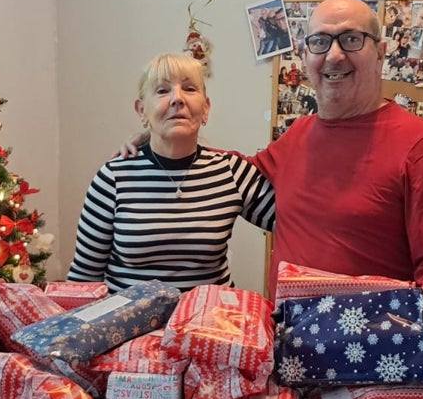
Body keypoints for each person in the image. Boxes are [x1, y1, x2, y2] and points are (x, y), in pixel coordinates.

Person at [248, 0, 423, 371]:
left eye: (351, 39)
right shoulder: (299, 134)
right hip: (293, 355)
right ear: (306, 57)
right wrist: (159, 142)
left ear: (381, 52)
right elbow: (237, 173)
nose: (334, 55)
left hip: (374, 361)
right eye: (320, 42)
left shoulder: (419, 146)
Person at [69, 53, 275, 292]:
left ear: (206, 108)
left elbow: (299, 224)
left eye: (189, 88)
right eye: (162, 91)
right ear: (141, 110)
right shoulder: (113, 178)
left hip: (208, 324)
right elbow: (84, 279)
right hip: (128, 327)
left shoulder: (232, 172)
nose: (177, 98)